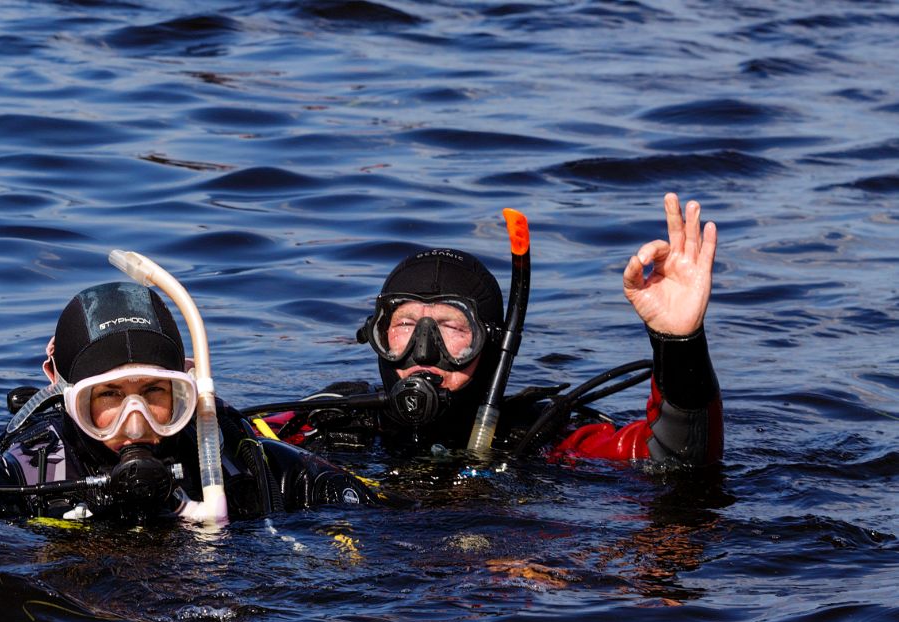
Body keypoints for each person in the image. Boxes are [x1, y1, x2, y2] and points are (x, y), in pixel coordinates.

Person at [260, 193, 722, 466]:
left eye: (450, 327)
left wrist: (679, 343)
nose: (424, 351)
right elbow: (226, 439)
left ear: (495, 344)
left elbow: (675, 459)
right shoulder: (327, 421)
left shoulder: (540, 439)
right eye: (404, 325)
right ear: (377, 336)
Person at [0, 280, 373, 523]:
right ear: (62, 390)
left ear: (187, 384)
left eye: (155, 394)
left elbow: (375, 511)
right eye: (105, 396)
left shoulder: (235, 460)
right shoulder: (29, 469)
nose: (135, 422)